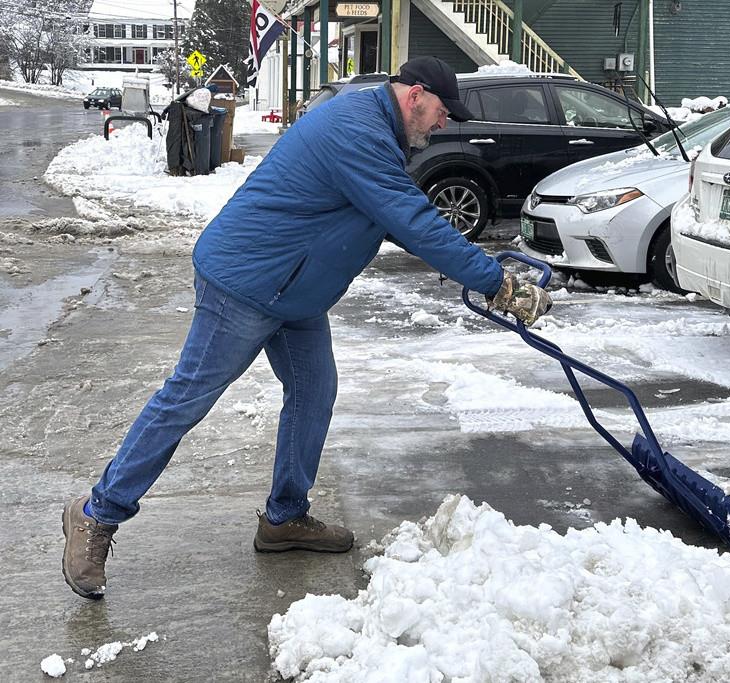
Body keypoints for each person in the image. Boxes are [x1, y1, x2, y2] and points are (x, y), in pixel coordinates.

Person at [61, 57, 552, 600]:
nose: (444, 123)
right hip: (245, 282)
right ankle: (95, 514)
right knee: (188, 398)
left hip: (294, 291)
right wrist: (495, 282)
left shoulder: (377, 124)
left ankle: (284, 518)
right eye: (442, 110)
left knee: (314, 392)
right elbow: (410, 219)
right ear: (415, 95)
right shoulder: (357, 129)